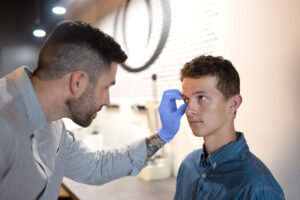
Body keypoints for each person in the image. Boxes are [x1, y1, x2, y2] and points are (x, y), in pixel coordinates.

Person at [0, 20, 187, 199]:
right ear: (78, 82)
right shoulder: (4, 121)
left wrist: (164, 135)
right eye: (106, 87)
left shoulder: (54, 124)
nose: (107, 100)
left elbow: (96, 167)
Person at [174, 55, 285, 199]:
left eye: (201, 98)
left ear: (232, 104)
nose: (188, 110)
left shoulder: (257, 188)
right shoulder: (189, 165)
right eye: (186, 99)